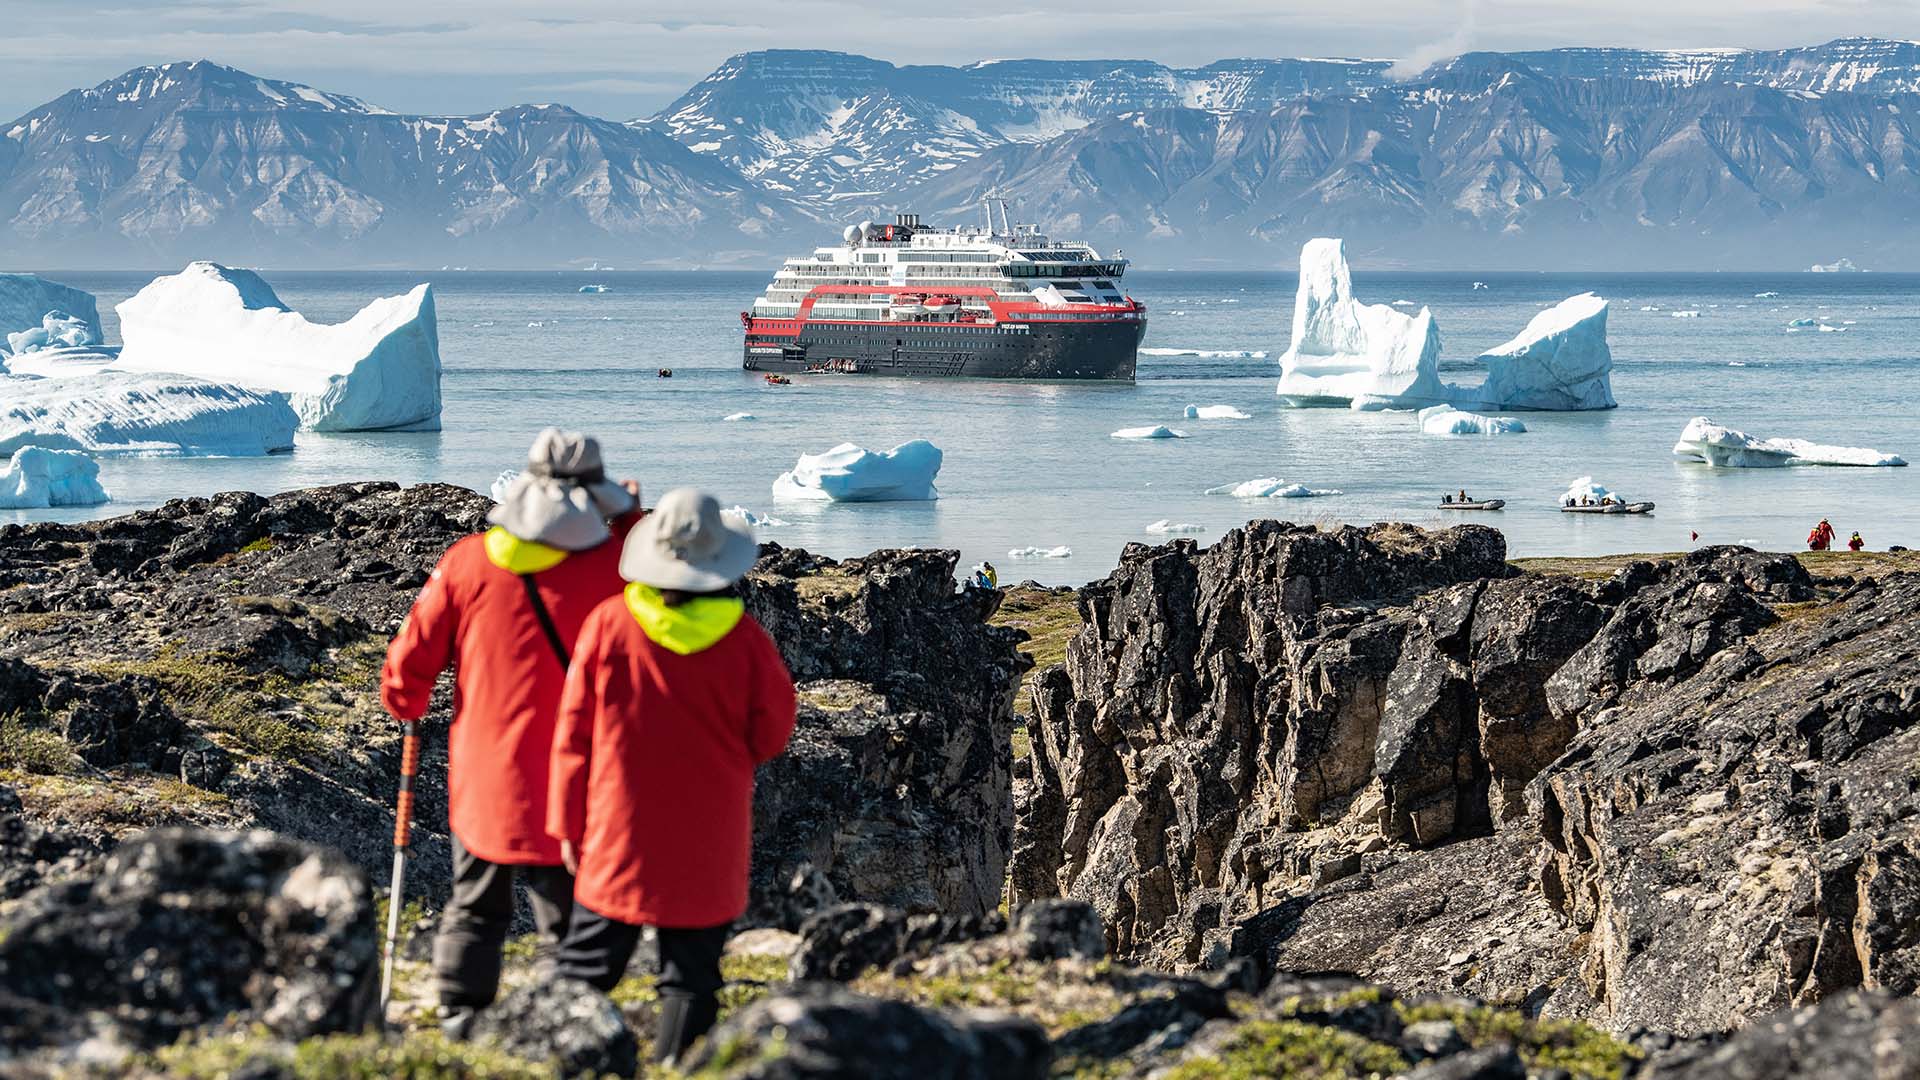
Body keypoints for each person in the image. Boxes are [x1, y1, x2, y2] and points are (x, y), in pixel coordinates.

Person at [381, 429, 640, 1036]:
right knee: (571, 915)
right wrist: (628, 519)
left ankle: (458, 1014)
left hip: (488, 772)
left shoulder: (469, 561)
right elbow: (658, 580)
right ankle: (571, 1025)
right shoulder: (614, 567)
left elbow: (410, 663)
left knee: (475, 903)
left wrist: (406, 699)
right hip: (578, 778)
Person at [548, 488, 797, 1065]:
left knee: (588, 963)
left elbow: (573, 735)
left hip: (618, 824)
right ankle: (676, 1066)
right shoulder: (746, 642)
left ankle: (562, 1062)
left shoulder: (609, 625)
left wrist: (566, 824)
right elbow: (771, 736)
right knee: (691, 974)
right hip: (709, 831)